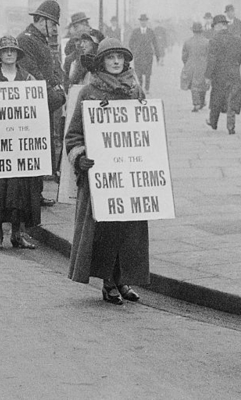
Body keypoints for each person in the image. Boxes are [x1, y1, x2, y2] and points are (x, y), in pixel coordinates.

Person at [65, 38, 149, 304]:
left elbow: (147, 130)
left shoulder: (136, 91)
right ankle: (108, 282)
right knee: (105, 230)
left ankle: (122, 279)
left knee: (128, 230)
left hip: (129, 173)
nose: (115, 62)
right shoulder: (89, 93)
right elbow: (73, 136)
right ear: (101, 61)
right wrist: (81, 158)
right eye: (110, 57)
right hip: (101, 177)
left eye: (120, 57)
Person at [0, 36, 61, 250]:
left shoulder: (28, 80)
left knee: (20, 193)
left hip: (21, 149)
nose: (9, 54)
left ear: (18, 54)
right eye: (5, 51)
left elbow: (38, 114)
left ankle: (17, 234)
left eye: (13, 51)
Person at [16, 0, 67, 206]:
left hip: (42, 103)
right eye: (52, 24)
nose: (54, 29)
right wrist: (55, 93)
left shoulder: (39, 40)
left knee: (40, 149)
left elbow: (52, 69)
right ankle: (28, 196)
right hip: (32, 104)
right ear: (42, 21)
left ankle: (35, 194)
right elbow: (32, 73)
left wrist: (60, 86)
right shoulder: (26, 40)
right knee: (31, 149)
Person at [205, 14, 241, 134]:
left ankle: (213, 122)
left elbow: (211, 60)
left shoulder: (214, 40)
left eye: (215, 26)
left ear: (219, 26)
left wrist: (208, 76)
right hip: (234, 73)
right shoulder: (236, 39)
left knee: (216, 98)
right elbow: (240, 58)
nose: (214, 29)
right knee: (232, 99)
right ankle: (231, 126)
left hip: (219, 75)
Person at [180, 21, 209, 112]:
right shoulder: (207, 42)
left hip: (191, 66)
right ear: (201, 31)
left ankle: (196, 103)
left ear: (193, 31)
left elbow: (184, 56)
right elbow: (209, 56)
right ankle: (202, 101)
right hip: (203, 66)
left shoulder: (188, 42)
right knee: (202, 84)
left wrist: (187, 63)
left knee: (194, 86)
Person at [128, 14, 161, 94]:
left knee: (148, 73)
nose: (143, 23)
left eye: (144, 21)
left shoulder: (150, 32)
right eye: (142, 21)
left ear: (147, 22)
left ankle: (147, 88)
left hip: (148, 55)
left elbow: (155, 43)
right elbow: (130, 43)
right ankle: (140, 88)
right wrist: (134, 51)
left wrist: (157, 56)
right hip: (138, 56)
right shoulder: (135, 31)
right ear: (140, 22)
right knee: (138, 73)